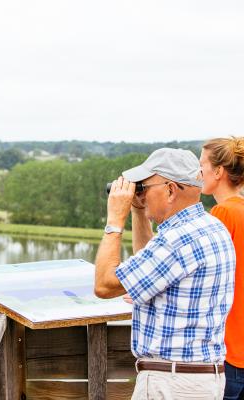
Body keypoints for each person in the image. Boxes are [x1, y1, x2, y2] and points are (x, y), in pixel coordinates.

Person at [94, 148, 235, 400]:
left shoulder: (177, 239)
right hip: (202, 380)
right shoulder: (210, 227)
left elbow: (105, 285)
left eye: (144, 187)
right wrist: (139, 211)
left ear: (170, 190)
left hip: (171, 384)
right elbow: (149, 268)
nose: (141, 194)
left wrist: (115, 220)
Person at [200, 137, 244, 400]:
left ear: (219, 171)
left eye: (202, 164)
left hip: (231, 352)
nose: (199, 171)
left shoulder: (223, 214)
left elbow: (203, 275)